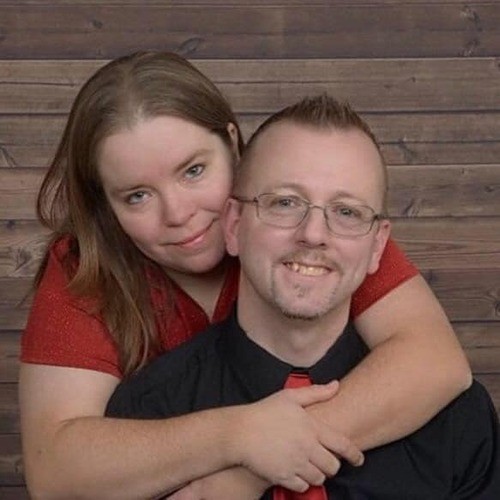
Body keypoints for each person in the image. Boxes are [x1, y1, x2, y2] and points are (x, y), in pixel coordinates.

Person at [19, 51, 471, 500]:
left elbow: (434, 360)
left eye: (194, 171)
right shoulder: (86, 268)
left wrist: (248, 472)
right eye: (137, 195)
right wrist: (237, 435)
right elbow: (55, 470)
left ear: (233, 145)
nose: (178, 213)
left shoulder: (315, 231)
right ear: (106, 205)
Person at [106, 94, 500, 499]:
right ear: (233, 225)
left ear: (378, 247)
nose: (313, 234)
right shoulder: (146, 414)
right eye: (285, 203)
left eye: (347, 212)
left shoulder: (455, 419)